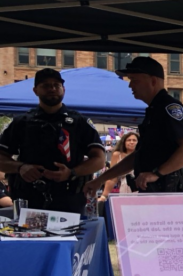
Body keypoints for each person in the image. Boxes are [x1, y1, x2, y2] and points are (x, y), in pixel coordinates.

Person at [85, 58, 183, 198]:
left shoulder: (169, 107)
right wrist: (100, 179)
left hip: (167, 193)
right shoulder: (154, 110)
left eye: (135, 80)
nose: (130, 85)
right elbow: (138, 156)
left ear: (153, 81)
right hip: (154, 192)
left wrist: (157, 173)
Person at [0, 68, 106, 215]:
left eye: (56, 85)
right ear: (35, 90)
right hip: (29, 199)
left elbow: (99, 159)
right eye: (46, 85)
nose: (52, 89)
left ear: (64, 89)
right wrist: (21, 167)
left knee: (72, 237)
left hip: (70, 199)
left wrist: (72, 172)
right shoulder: (21, 122)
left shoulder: (79, 122)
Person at [102, 132, 139, 198]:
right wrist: (104, 195)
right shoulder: (117, 155)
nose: (131, 142)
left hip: (140, 189)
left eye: (134, 140)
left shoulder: (142, 156)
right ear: (124, 142)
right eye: (129, 140)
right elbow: (112, 177)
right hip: (124, 189)